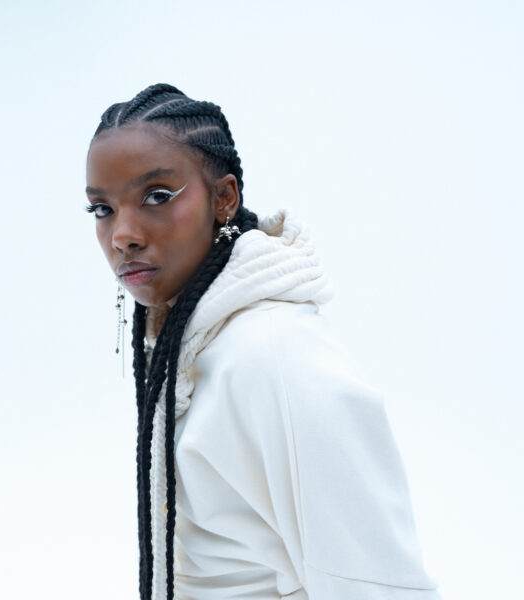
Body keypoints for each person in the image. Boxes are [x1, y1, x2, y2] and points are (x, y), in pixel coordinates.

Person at [84, 83, 441, 600]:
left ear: (223, 198)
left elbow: (382, 584)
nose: (123, 234)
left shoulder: (276, 354)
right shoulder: (192, 347)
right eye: (102, 210)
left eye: (157, 196)